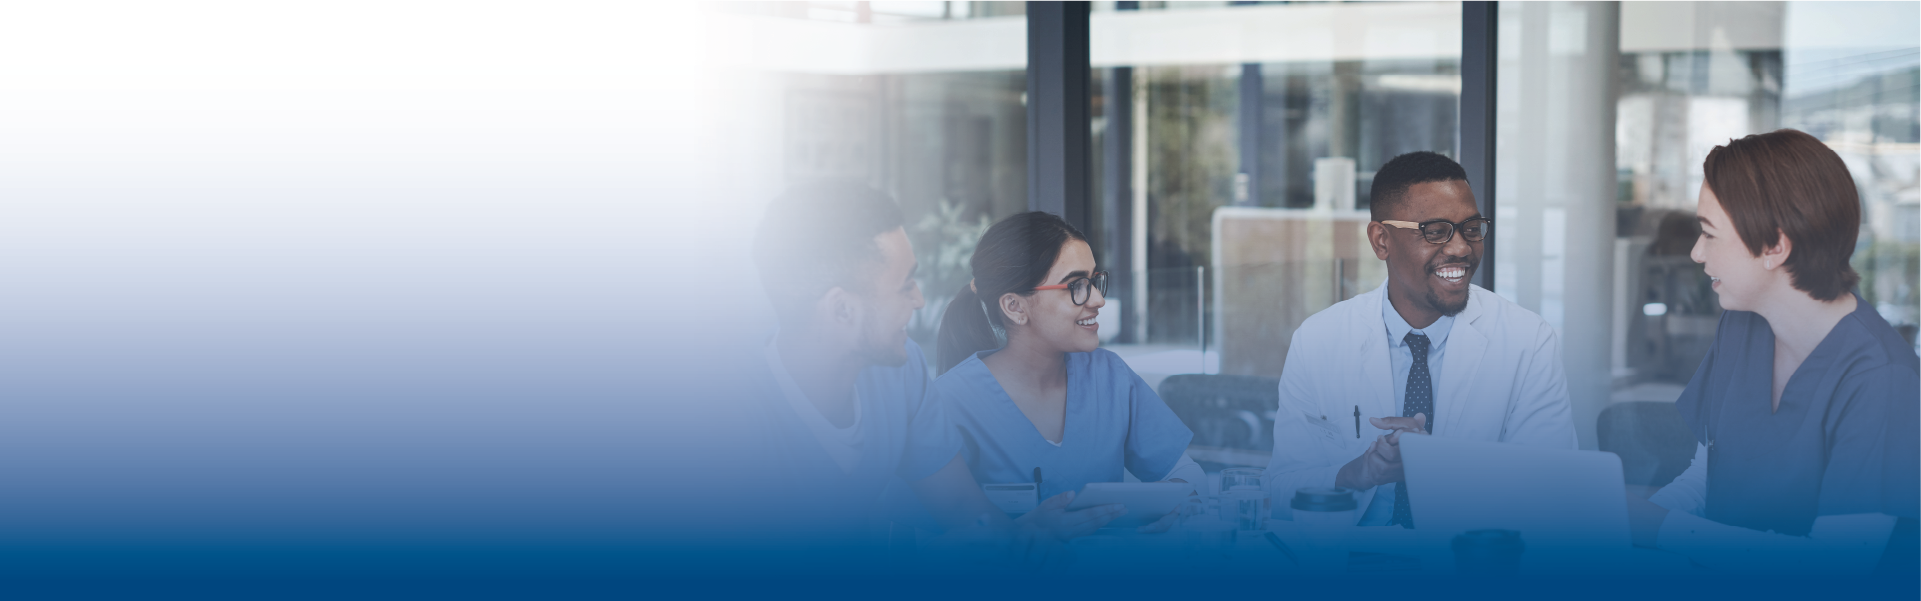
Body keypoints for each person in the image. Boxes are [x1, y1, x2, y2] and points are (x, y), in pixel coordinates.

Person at [733, 183, 1124, 555]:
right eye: (905, 286)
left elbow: (964, 511)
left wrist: (1024, 539)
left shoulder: (900, 374)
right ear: (842, 309)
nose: (920, 300)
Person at [1626, 129, 1921, 574]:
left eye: (1709, 235)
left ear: (1774, 247)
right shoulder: (1743, 324)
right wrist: (1626, 529)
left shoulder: (1881, 378)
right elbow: (1705, 481)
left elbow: (1838, 568)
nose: (1695, 253)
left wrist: (1664, 530)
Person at [1263, 151, 1577, 528]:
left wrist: (1435, 467)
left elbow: (1554, 494)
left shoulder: (1528, 341)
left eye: (1472, 228)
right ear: (1382, 241)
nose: (1461, 248)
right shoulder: (1319, 340)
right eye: (1435, 231)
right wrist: (1359, 472)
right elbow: (1278, 491)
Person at [934, 211, 1202, 532]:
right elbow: (926, 544)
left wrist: (1177, 508)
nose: (1099, 299)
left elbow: (1185, 472)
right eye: (1076, 286)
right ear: (1015, 307)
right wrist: (1015, 540)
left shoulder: (1110, 377)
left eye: (1094, 281)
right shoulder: (951, 402)